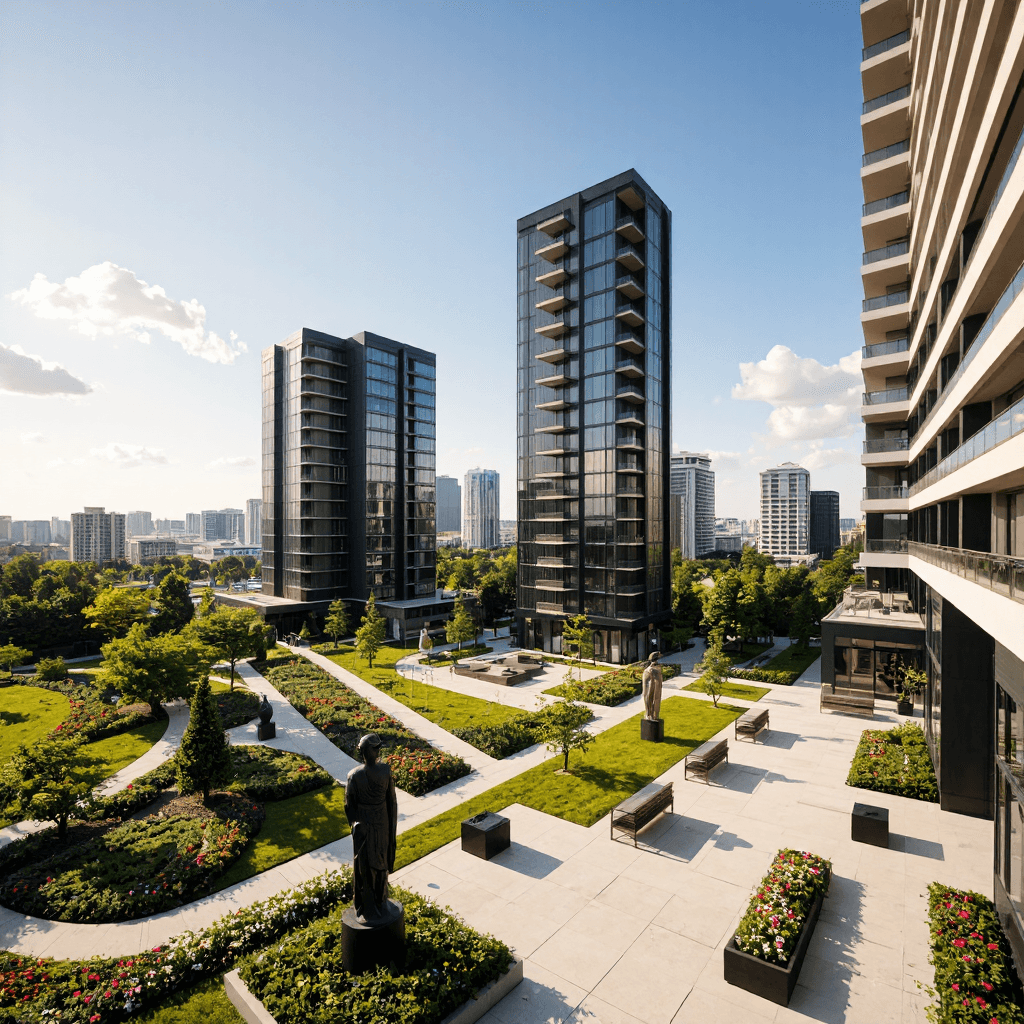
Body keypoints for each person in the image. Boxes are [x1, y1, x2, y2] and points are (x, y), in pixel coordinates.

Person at [344, 733, 398, 924]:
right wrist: (356, 826)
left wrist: (392, 831)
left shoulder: (379, 772)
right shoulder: (357, 775)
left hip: (378, 825)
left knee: (379, 865)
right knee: (366, 867)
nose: (376, 752)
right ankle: (368, 906)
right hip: (368, 826)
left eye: (376, 748)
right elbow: (350, 808)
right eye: (374, 748)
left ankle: (380, 902)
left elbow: (391, 802)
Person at [642, 652, 663, 722]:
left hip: (650, 675)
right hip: (650, 675)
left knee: (650, 695)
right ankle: (651, 714)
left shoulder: (653, 669)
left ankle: (651, 714)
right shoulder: (652, 670)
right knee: (650, 695)